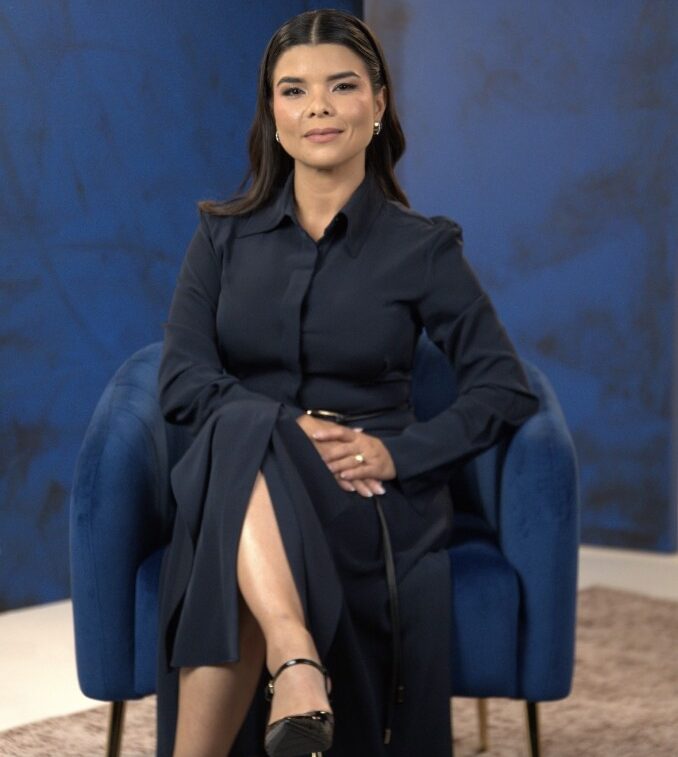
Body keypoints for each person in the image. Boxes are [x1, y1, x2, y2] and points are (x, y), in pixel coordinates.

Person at [156, 8, 540, 757]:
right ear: (273, 115)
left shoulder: (423, 248)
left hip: (363, 494)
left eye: (341, 86)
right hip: (244, 482)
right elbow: (181, 378)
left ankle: (292, 662)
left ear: (378, 103)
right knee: (239, 436)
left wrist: (399, 455)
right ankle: (294, 651)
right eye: (294, 91)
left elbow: (504, 387)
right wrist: (284, 426)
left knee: (230, 469)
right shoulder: (220, 237)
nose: (319, 107)